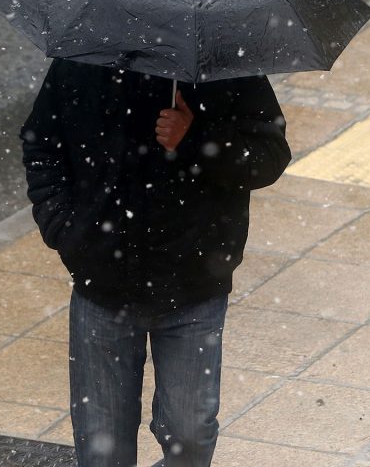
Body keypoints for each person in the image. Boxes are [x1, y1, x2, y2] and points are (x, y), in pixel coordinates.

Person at [20, 57, 291, 467]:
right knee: (101, 446)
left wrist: (195, 138)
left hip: (194, 286)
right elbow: (42, 142)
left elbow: (269, 156)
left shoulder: (221, 65)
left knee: (191, 438)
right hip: (103, 286)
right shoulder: (85, 59)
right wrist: (66, 229)